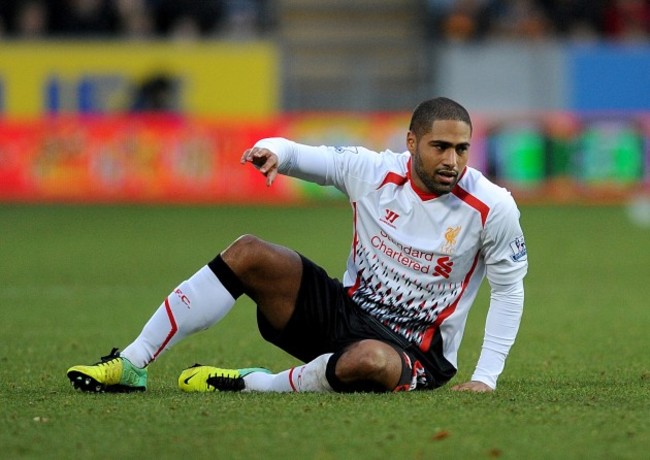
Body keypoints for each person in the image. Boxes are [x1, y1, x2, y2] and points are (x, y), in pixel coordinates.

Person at [67, 97, 528, 394]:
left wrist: (485, 378)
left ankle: (256, 385)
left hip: (413, 353)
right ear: (411, 142)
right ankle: (132, 363)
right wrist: (273, 152)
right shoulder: (372, 172)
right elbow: (304, 154)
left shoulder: (493, 207)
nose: (452, 161)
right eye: (440, 146)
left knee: (369, 360)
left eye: (462, 149)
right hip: (341, 313)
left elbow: (509, 291)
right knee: (248, 251)